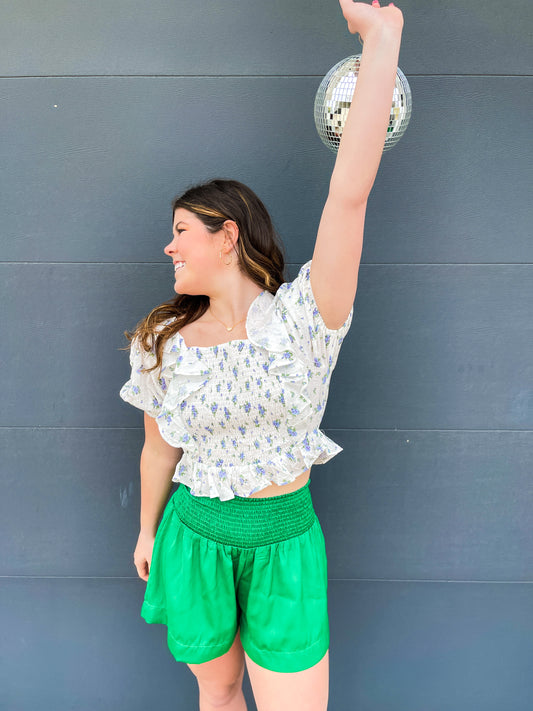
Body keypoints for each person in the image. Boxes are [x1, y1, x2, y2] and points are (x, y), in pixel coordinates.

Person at [119, 2, 403, 709]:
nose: (169, 246)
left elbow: (350, 194)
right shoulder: (160, 343)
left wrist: (381, 37)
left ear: (228, 235)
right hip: (194, 540)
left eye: (182, 230)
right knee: (216, 694)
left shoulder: (307, 318)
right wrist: (148, 528)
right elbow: (159, 450)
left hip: (284, 548)